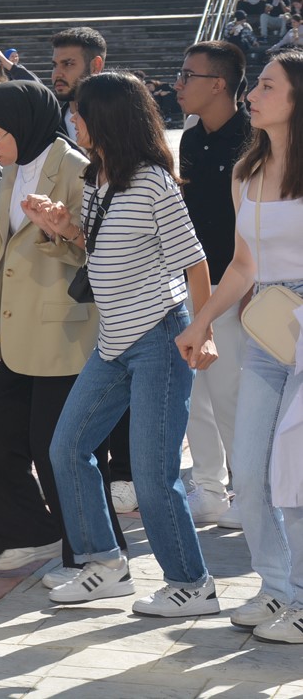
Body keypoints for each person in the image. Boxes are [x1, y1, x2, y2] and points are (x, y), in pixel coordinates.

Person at [29, 72, 217, 617]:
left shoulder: (155, 182)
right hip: (113, 341)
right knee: (67, 448)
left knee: (153, 476)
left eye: (81, 113)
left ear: (106, 117)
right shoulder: (96, 178)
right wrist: (64, 227)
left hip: (160, 334)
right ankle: (104, 565)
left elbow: (195, 260)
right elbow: (98, 247)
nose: (74, 121)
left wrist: (199, 330)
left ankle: (191, 582)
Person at [0, 81, 123, 574]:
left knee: (59, 448)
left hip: (66, 331)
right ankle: (27, 533)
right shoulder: (12, 170)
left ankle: (92, 557)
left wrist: (61, 230)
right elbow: (14, 244)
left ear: (23, 124)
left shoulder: (79, 170)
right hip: (22, 334)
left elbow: (100, 249)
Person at [175, 49, 303, 640]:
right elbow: (243, 264)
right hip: (268, 331)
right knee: (249, 472)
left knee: (294, 471)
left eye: (268, 87)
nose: (254, 95)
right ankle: (277, 589)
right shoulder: (245, 172)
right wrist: (202, 321)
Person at [174, 42, 253, 529]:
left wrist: (247, 287)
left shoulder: (254, 139)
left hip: (235, 285)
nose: (178, 84)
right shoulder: (189, 139)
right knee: (192, 391)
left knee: (230, 393)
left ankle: (247, 489)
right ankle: (207, 485)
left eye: (188, 76)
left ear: (218, 83)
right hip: (189, 282)